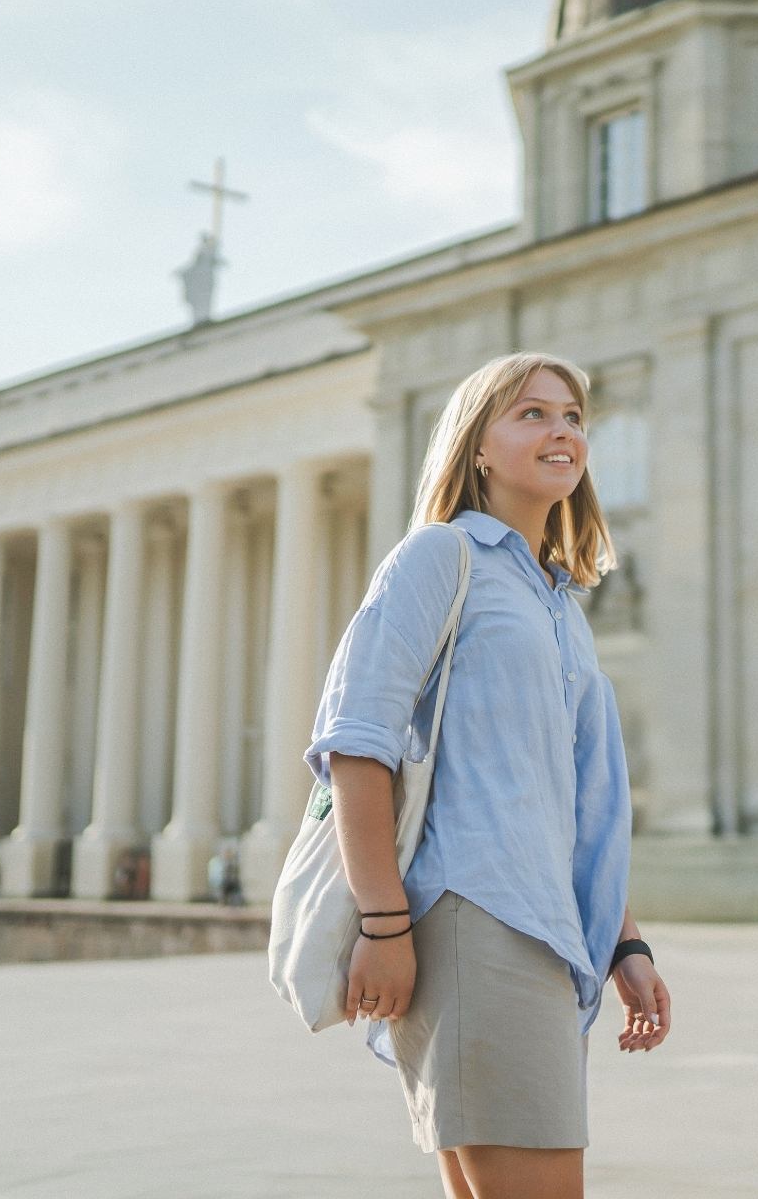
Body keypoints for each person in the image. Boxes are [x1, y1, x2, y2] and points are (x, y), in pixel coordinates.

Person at [303, 352, 670, 1199]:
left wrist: (625, 940)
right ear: (477, 446)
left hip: (550, 934)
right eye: (532, 414)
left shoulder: (557, 603)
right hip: (474, 919)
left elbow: (573, 800)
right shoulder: (440, 558)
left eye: (573, 416)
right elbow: (358, 745)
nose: (562, 431)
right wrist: (386, 928)